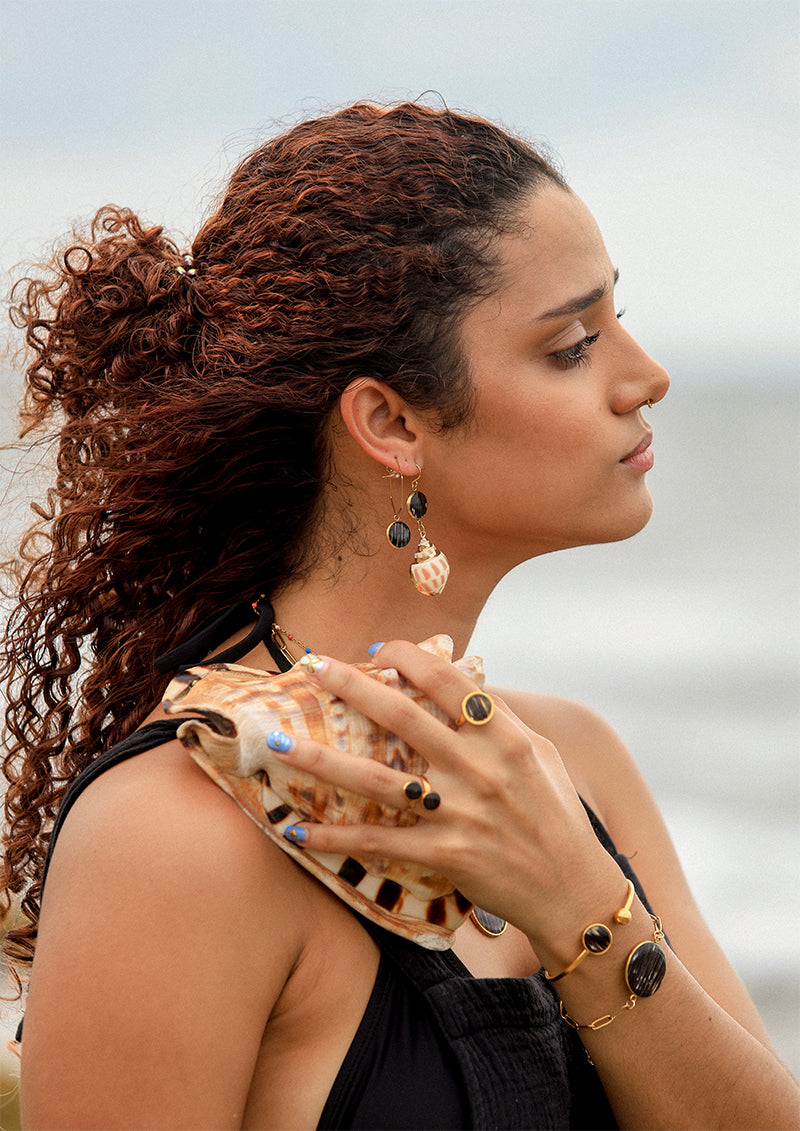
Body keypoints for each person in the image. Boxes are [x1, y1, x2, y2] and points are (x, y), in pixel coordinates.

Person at [1, 100, 797, 1131]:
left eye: (617, 323)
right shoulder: (171, 838)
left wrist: (576, 906)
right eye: (570, 345)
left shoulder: (572, 764)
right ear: (389, 423)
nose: (644, 377)